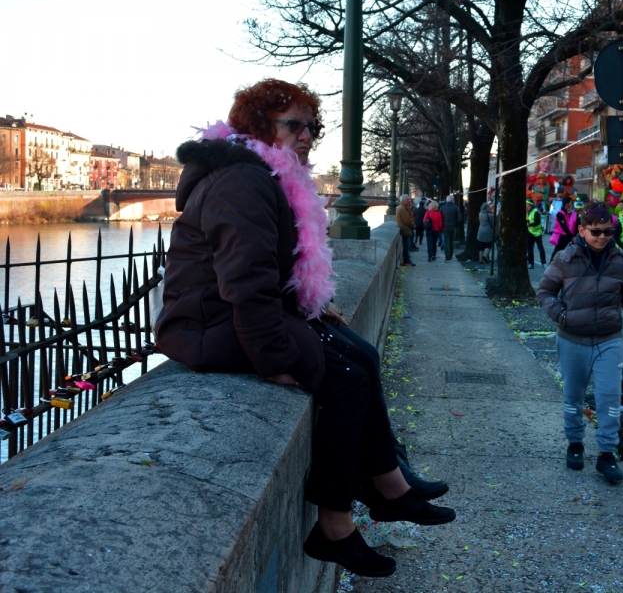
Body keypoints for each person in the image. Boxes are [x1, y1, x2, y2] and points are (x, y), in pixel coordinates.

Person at [155, 79, 454, 578]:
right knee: (344, 378)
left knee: (362, 355)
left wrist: (312, 303)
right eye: (294, 125)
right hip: (209, 325)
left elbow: (269, 266)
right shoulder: (241, 182)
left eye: (312, 126)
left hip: (231, 315)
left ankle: (389, 484)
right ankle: (335, 526)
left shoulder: (259, 177)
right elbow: (246, 283)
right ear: (258, 126)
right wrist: (272, 360)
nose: (307, 135)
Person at [536, 201, 623, 484]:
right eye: (595, 231)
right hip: (572, 341)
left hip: (609, 340)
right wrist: (560, 315)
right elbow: (544, 291)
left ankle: (606, 455)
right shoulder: (566, 259)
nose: (602, 237)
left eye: (607, 231)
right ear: (581, 230)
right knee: (573, 398)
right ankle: (575, 444)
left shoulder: (620, 261)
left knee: (609, 399)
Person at [549, 197, 577, 261]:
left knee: (561, 251)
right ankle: (551, 265)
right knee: (557, 251)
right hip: (561, 236)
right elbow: (564, 227)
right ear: (566, 204)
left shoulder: (565, 213)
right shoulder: (560, 213)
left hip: (564, 236)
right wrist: (572, 236)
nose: (571, 204)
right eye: (570, 203)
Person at [440, 194, 463, 262]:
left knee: (446, 241)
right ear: (452, 200)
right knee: (451, 241)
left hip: (445, 226)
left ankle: (447, 257)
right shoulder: (456, 207)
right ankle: (450, 256)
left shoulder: (442, 208)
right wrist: (457, 225)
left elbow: (440, 217)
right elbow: (460, 218)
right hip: (453, 226)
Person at [396, 194, 416, 267]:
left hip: (403, 229)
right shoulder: (402, 208)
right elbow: (407, 220)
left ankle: (407, 261)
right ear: (403, 200)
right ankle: (407, 261)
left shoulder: (401, 207)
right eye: (408, 199)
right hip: (405, 229)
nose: (409, 200)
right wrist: (413, 226)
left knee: (406, 246)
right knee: (406, 246)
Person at [526, 198, 546, 269]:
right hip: (530, 232)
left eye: (527, 204)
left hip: (537, 233)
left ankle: (543, 263)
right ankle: (531, 263)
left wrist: (529, 224)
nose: (526, 206)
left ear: (530, 205)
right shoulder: (527, 212)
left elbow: (537, 222)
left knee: (540, 248)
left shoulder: (536, 212)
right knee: (530, 249)